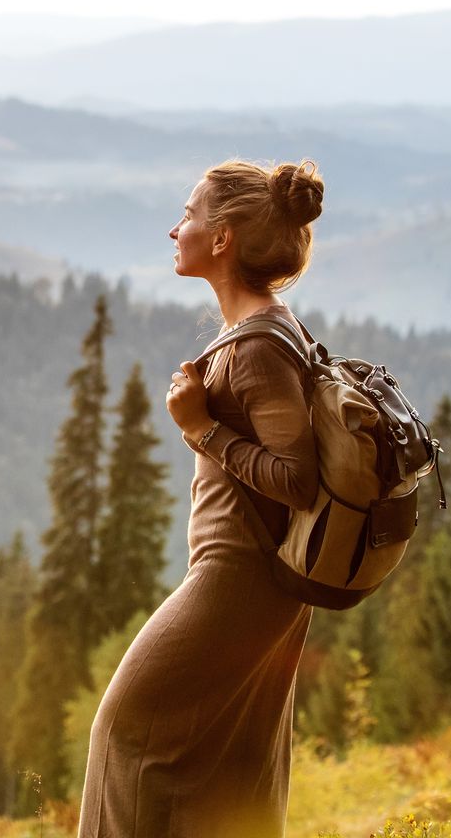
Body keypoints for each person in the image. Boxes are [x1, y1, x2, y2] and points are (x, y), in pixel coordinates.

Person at [75, 158, 324, 838]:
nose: (173, 229)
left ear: (223, 240)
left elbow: (298, 479)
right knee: (230, 769)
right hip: (259, 584)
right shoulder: (267, 329)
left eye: (187, 216)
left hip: (237, 580)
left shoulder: (258, 350)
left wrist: (201, 429)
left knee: (123, 732)